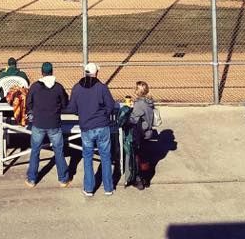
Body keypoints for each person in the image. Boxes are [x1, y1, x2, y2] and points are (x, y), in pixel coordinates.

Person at [66, 62, 115, 197]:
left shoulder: (77, 88)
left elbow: (72, 108)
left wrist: (82, 113)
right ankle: (108, 188)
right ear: (96, 73)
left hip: (86, 127)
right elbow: (110, 105)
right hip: (102, 126)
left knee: (87, 157)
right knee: (105, 157)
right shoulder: (102, 87)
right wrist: (103, 114)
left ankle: (89, 188)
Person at [24, 61, 70, 188]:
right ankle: (63, 179)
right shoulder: (58, 87)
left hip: (38, 123)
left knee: (35, 151)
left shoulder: (35, 87)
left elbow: (28, 103)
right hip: (54, 123)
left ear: (42, 72)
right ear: (52, 72)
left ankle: (32, 179)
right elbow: (65, 103)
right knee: (58, 151)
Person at [127, 80, 157, 190]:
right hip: (148, 132)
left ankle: (140, 179)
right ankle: (146, 179)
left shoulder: (139, 104)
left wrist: (128, 112)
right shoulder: (149, 101)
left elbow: (133, 119)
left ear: (138, 91)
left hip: (141, 133)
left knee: (138, 156)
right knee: (145, 156)